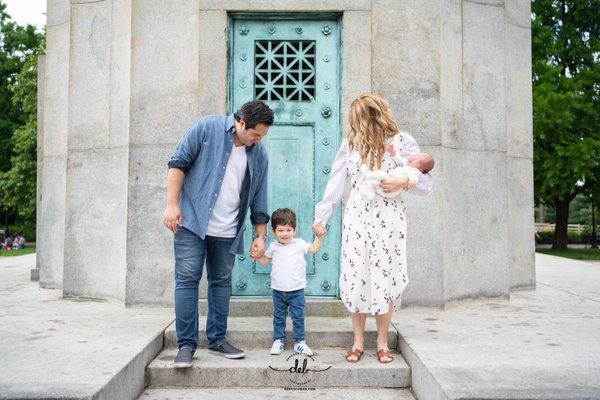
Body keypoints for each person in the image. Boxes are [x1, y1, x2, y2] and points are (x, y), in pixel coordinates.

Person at [312, 93, 432, 364]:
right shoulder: (350, 143)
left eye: (359, 120)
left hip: (389, 219)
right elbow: (335, 182)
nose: (355, 126)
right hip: (357, 217)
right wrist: (322, 217)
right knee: (356, 274)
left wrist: (402, 181)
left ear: (374, 116)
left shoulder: (402, 141)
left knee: (386, 275)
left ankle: (381, 342)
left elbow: (425, 182)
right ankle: (356, 341)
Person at [163, 100, 274, 368]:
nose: (257, 140)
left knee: (221, 282)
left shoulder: (258, 153)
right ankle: (186, 345)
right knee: (187, 280)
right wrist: (171, 204)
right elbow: (178, 164)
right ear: (241, 122)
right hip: (193, 222)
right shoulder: (205, 128)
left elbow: (259, 199)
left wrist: (261, 236)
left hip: (227, 230)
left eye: (261, 136)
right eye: (255, 134)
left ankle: (217, 339)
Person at [254, 208, 324, 356]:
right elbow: (265, 261)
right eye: (280, 230)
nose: (284, 234)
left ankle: (299, 342)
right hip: (278, 290)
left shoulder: (299, 244)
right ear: (274, 231)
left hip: (296, 290)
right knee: (279, 317)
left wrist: (319, 237)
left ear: (294, 229)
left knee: (298, 317)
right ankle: (278, 340)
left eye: (288, 230)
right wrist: (257, 256)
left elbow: (313, 248)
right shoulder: (273, 246)